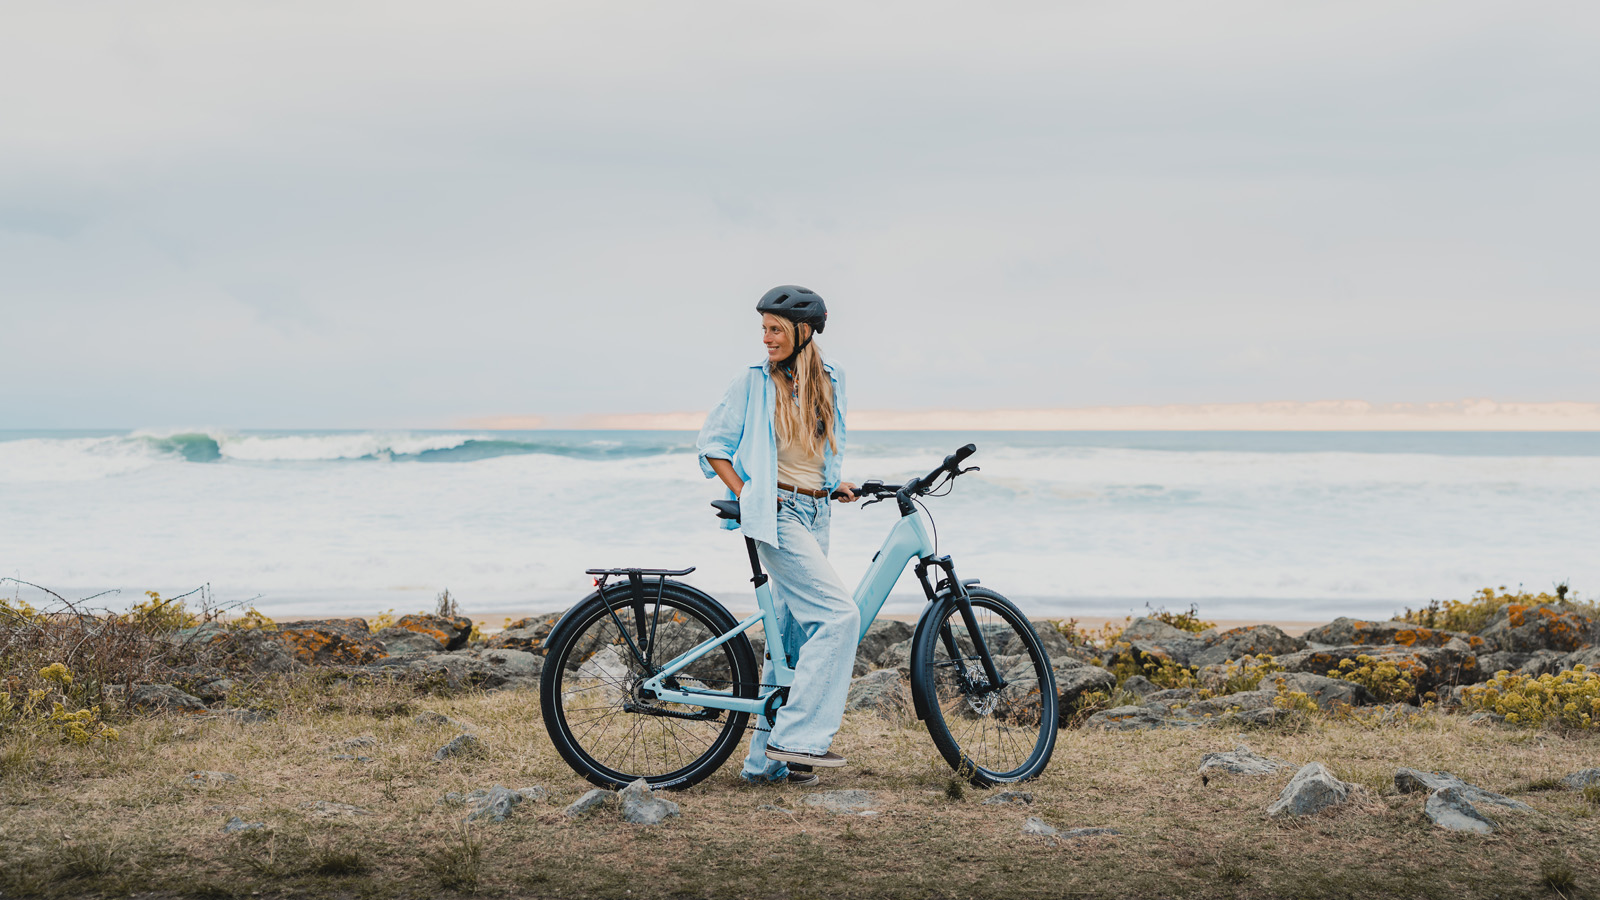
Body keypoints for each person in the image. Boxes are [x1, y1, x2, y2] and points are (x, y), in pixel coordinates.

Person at [696, 285, 861, 786]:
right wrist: (749, 494)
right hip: (777, 513)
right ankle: (799, 740)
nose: (766, 338)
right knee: (839, 616)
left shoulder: (831, 380)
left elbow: (816, 452)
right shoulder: (751, 382)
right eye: (764, 329)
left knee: (789, 641)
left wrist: (833, 486)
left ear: (804, 333)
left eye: (776, 329)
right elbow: (712, 445)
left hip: (815, 511)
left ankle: (764, 763)